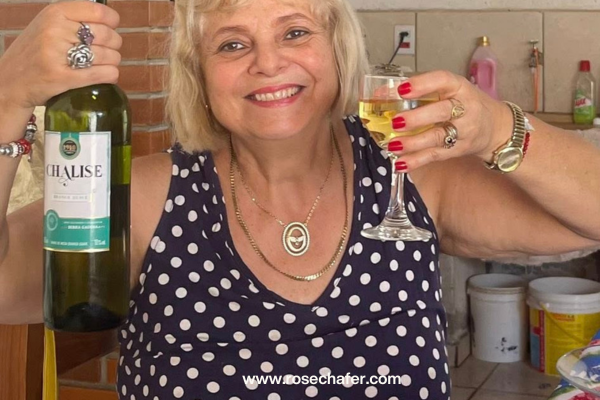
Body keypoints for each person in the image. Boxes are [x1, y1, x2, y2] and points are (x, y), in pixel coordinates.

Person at [0, 0, 599, 398]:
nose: (268, 63)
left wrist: (499, 128)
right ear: (197, 75)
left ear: (338, 47)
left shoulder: (409, 172)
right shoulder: (149, 196)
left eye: (294, 32)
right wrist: (6, 99)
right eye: (231, 45)